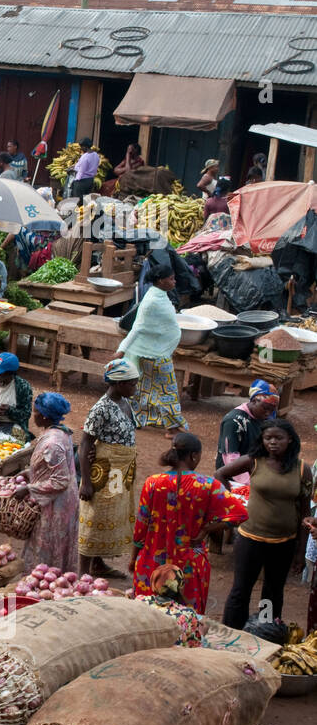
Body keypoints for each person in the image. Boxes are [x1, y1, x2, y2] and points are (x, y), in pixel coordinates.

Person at [131, 432, 246, 614]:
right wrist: (207, 529)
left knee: (148, 614)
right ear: (194, 456)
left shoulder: (152, 483)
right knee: (188, 615)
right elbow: (240, 514)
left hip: (152, 561)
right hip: (189, 565)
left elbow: (141, 526)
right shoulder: (208, 485)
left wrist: (133, 559)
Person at [217, 418, 311, 628]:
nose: (273, 442)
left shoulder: (303, 469)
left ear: (290, 440)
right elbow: (221, 474)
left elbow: (305, 512)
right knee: (241, 589)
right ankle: (231, 631)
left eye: (278, 438)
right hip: (251, 538)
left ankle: (265, 631)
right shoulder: (254, 461)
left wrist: (300, 551)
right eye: (268, 438)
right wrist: (234, 504)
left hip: (284, 541)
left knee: (273, 591)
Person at [78, 358, 141, 577]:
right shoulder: (101, 408)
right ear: (119, 383)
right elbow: (85, 443)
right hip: (106, 470)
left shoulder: (125, 403)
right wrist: (86, 482)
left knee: (110, 514)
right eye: (132, 383)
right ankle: (82, 572)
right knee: (96, 516)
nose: (135, 387)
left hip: (121, 471)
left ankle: (98, 563)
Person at [115, 262, 187, 437]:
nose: (174, 281)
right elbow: (138, 327)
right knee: (168, 389)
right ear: (160, 281)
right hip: (154, 354)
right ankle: (172, 428)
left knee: (143, 388)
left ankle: (135, 419)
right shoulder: (152, 301)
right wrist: (121, 349)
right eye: (171, 279)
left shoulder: (160, 295)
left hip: (152, 352)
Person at [11, 392, 80, 573]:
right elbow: (53, 467)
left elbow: (60, 480)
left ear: (43, 416)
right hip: (61, 497)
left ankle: (47, 580)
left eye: (35, 412)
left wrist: (28, 489)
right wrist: (30, 472)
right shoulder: (59, 432)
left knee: (50, 542)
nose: (33, 416)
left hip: (57, 503)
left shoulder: (52, 443)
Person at [216, 380, 279, 489]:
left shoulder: (264, 418)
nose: (268, 413)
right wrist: (249, 483)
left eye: (272, 410)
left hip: (254, 475)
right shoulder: (234, 421)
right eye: (265, 408)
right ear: (254, 401)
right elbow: (230, 457)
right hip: (233, 478)